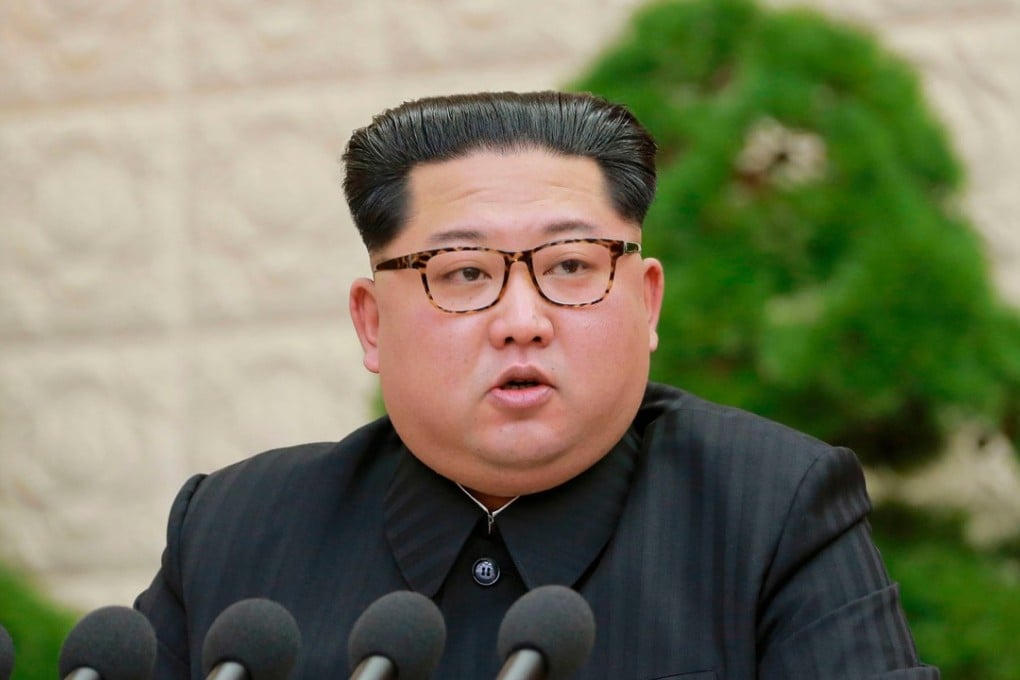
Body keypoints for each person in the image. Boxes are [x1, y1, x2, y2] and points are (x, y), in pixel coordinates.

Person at [135, 91, 938, 678]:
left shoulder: (774, 510)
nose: (522, 321)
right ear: (372, 324)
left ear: (648, 303)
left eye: (571, 266)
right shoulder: (233, 531)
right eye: (463, 272)